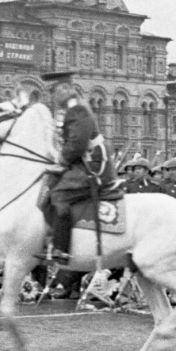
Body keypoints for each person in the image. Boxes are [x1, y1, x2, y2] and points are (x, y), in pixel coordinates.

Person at [42, 70, 114, 265]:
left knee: (60, 195)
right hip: (82, 162)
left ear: (66, 89)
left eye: (55, 91)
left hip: (93, 166)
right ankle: (49, 238)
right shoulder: (71, 110)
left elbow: (77, 143)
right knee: (48, 184)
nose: (53, 96)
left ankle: (62, 249)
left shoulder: (78, 110)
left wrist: (61, 162)